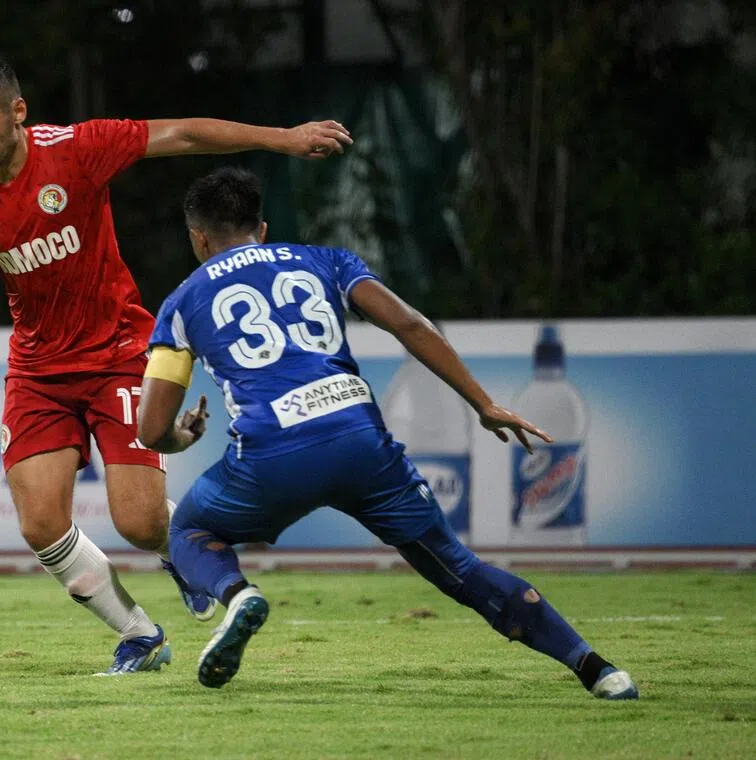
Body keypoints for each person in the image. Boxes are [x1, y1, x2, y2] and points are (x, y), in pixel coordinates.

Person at [0, 56, 353, 675]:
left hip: (117, 355)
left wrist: (284, 138)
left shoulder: (78, 149)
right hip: (38, 372)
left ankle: (182, 551)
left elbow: (184, 134)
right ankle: (141, 636)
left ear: (17, 112)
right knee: (39, 523)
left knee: (138, 521)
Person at [136, 166, 639, 698]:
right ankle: (598, 670)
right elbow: (411, 325)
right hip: (361, 442)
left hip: (273, 455)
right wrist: (484, 404)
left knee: (188, 530)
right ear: (262, 228)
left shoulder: (181, 303)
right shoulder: (326, 261)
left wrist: (180, 438)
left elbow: (149, 428)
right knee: (459, 568)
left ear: (197, 237)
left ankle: (237, 595)